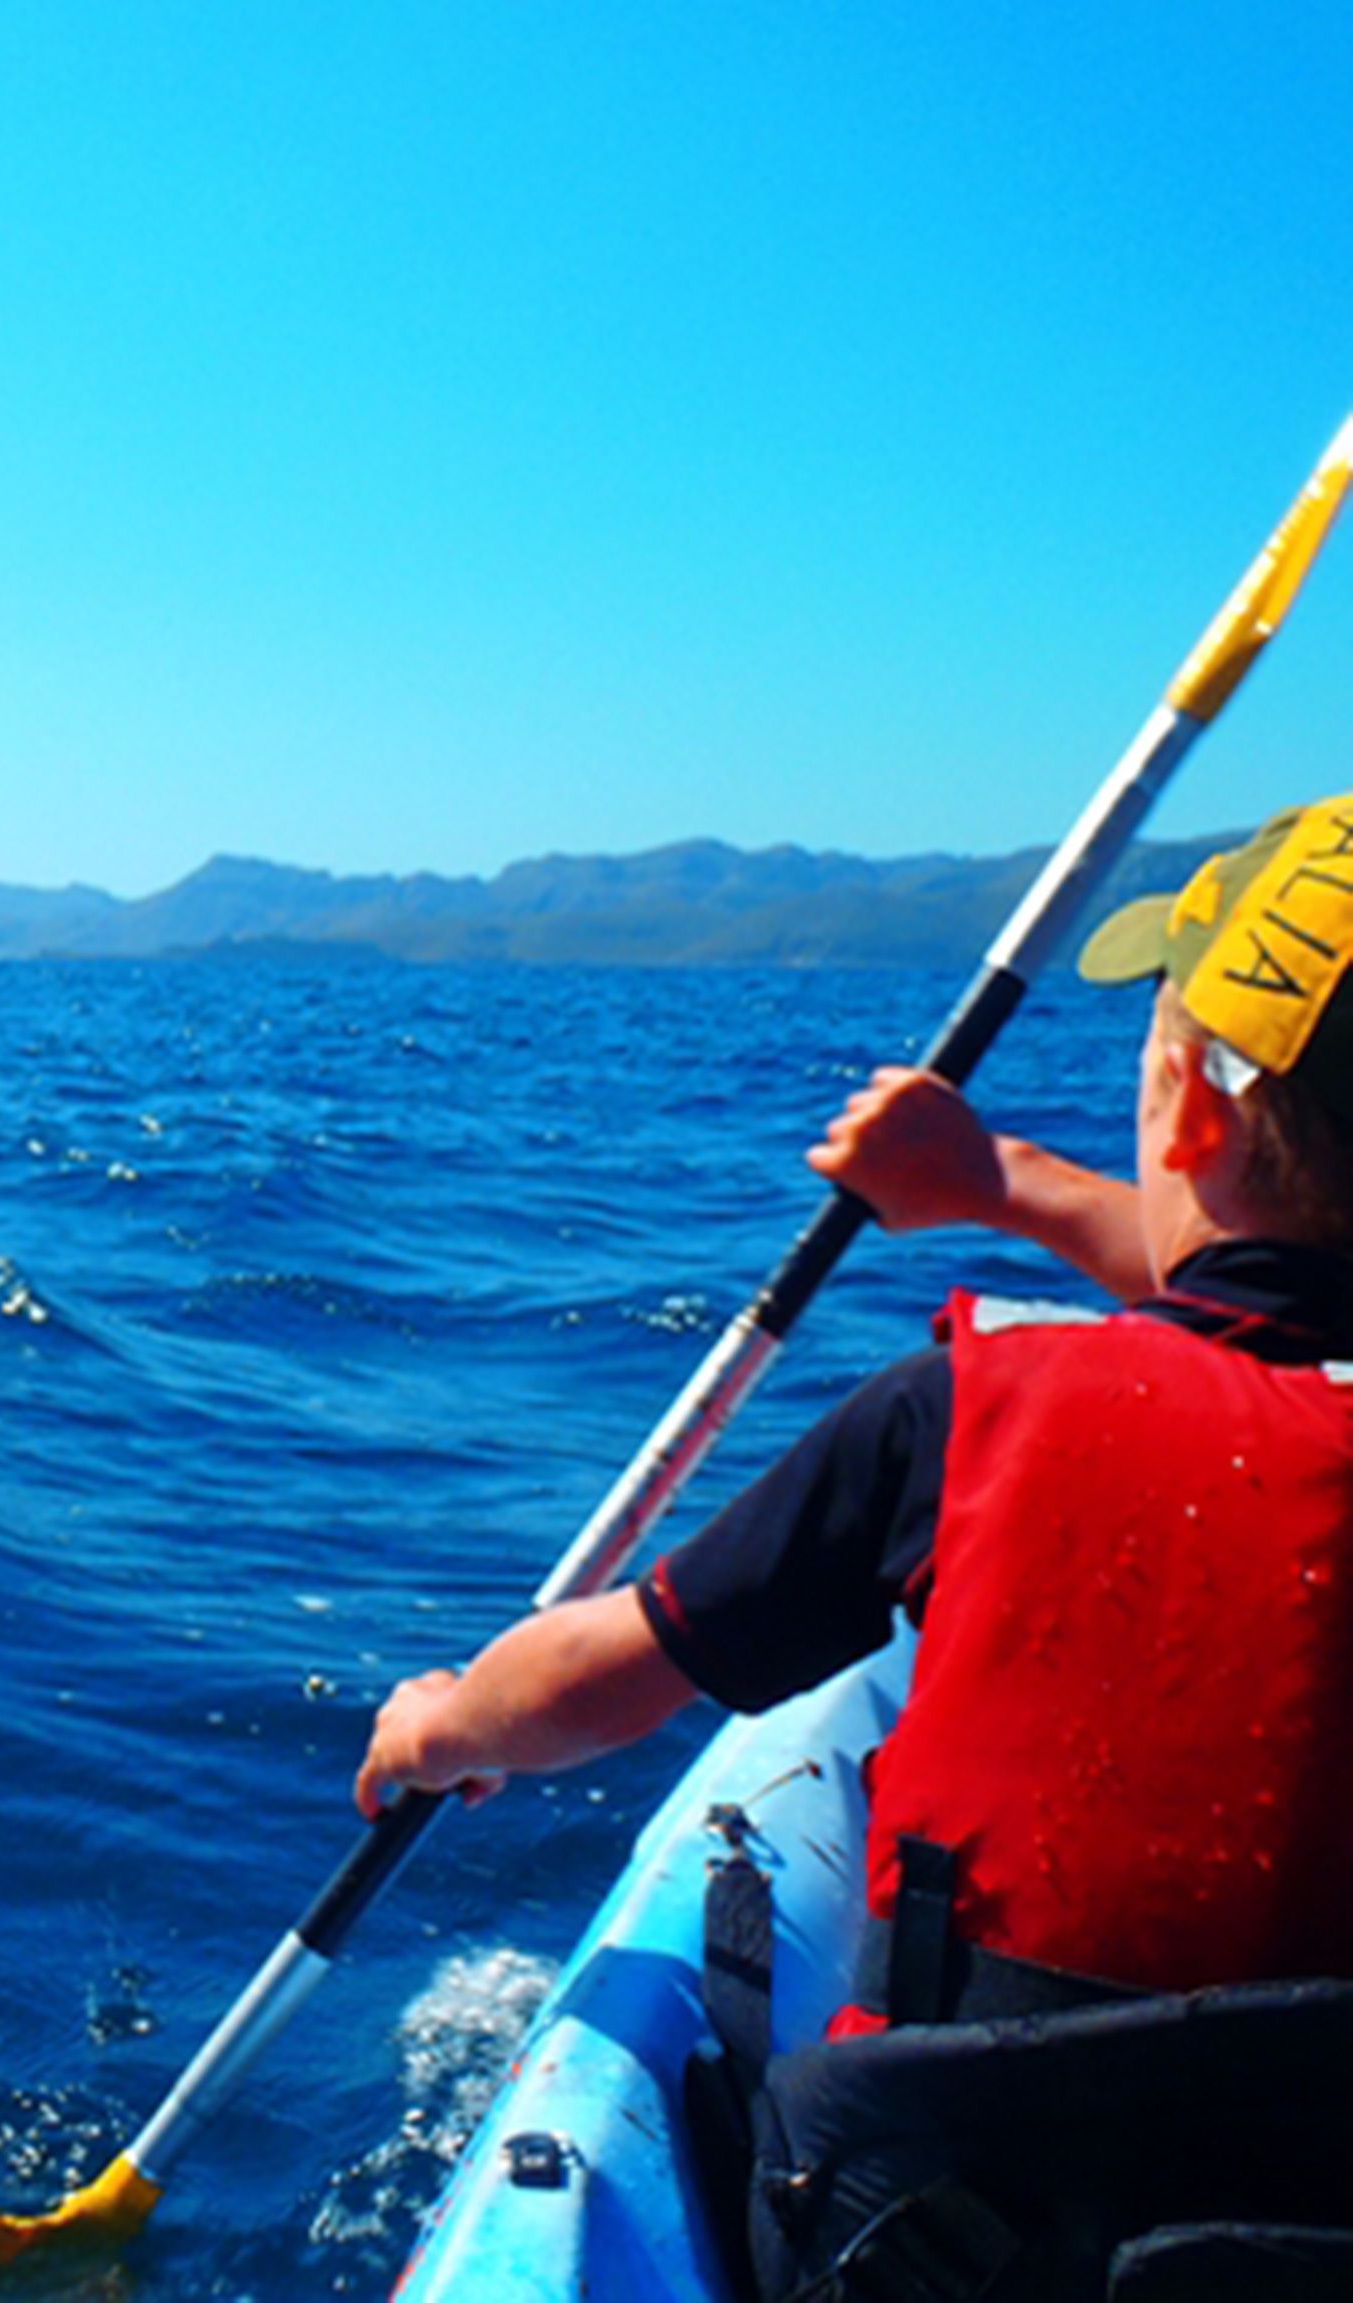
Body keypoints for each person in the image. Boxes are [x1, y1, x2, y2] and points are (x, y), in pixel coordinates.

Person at [353, 796, 1353, 2299]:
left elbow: (614, 1675)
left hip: (943, 2239)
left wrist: (444, 1721)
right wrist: (997, 1177)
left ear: (1184, 1108)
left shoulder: (964, 1414)